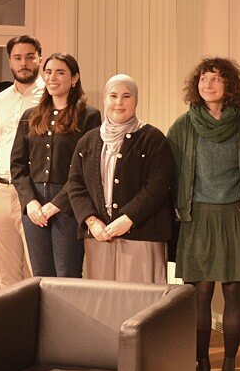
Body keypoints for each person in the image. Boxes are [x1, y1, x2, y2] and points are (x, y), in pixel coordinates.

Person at [168, 58, 240, 371]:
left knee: (233, 292)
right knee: (200, 294)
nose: (208, 84)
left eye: (216, 78)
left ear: (229, 85)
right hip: (197, 217)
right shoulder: (183, 125)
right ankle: (201, 364)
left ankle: (229, 366)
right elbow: (170, 173)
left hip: (234, 216)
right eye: (204, 78)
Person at [65, 74, 173, 283]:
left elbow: (157, 186)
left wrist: (128, 218)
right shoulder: (88, 141)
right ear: (105, 99)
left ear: (136, 100)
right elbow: (76, 185)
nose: (119, 102)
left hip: (142, 234)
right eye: (113, 96)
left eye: (126, 96)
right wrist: (91, 221)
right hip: (100, 236)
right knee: (103, 298)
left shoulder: (153, 139)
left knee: (141, 298)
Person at [11, 53, 100, 278]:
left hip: (69, 203)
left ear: (74, 78)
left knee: (67, 273)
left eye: (60, 72)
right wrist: (30, 202)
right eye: (48, 72)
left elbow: (88, 169)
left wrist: (57, 204)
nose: (52, 78)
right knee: (40, 274)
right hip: (34, 205)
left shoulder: (89, 116)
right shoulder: (30, 116)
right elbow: (17, 165)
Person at [0, 35, 44, 288]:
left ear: (39, 59)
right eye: (18, 58)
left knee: (39, 271)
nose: (24, 63)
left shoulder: (49, 97)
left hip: (35, 191)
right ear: (10, 61)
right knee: (6, 275)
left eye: (30, 57)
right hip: (0, 189)